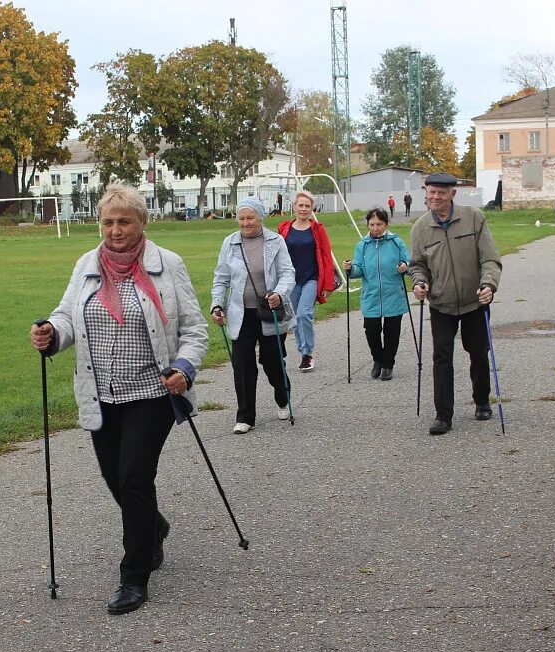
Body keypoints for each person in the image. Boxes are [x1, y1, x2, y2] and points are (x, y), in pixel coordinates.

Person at [30, 184, 207, 616]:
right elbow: (67, 316)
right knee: (115, 479)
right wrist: (51, 335)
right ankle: (154, 529)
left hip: (152, 391)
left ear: (142, 223)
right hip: (100, 393)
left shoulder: (168, 265)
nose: (115, 230)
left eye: (124, 221)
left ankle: (134, 576)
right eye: (108, 222)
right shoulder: (87, 265)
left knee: (133, 477)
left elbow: (195, 328)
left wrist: (184, 368)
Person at [409, 172, 502, 436]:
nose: (435, 196)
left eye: (441, 192)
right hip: (441, 304)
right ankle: (443, 415)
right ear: (426, 193)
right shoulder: (420, 228)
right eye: (431, 191)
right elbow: (418, 265)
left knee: (478, 353)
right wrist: (419, 283)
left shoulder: (473, 217)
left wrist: (489, 285)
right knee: (441, 358)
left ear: (452, 194)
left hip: (475, 300)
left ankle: (482, 400)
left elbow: (490, 259)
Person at [211, 196, 295, 435]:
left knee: (271, 362)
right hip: (241, 313)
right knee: (242, 364)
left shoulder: (275, 241)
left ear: (260, 217)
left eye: (250, 218)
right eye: (241, 218)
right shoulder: (230, 243)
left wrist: (279, 293)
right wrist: (217, 305)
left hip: (269, 311)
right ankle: (245, 415)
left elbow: (288, 273)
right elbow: (221, 278)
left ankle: (282, 394)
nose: (246, 223)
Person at [343, 208, 411, 381]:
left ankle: (388, 365)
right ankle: (378, 360)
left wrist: (405, 267)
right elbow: (359, 270)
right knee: (371, 331)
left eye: (379, 224)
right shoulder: (362, 245)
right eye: (372, 224)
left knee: (392, 332)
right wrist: (351, 269)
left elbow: (409, 264)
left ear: (386, 224)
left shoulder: (397, 242)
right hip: (371, 296)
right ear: (368, 225)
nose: (375, 228)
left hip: (393, 294)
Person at [276, 190, 336, 372]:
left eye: (307, 206)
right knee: (293, 318)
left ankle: (307, 354)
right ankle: (300, 351)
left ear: (312, 209)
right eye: (300, 205)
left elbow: (326, 255)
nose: (303, 209)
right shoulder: (284, 228)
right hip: (291, 281)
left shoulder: (317, 230)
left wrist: (327, 284)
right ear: (294, 207)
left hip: (311, 279)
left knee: (304, 314)